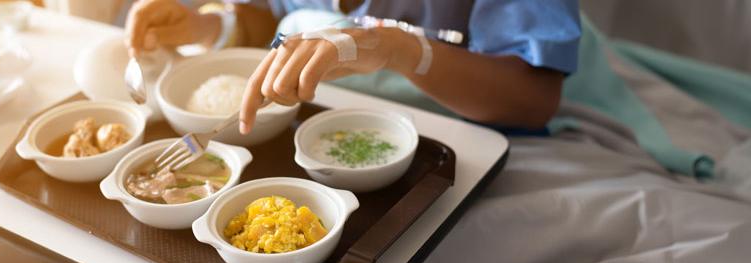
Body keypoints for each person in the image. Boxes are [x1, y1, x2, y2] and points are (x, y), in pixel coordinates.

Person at [125, 0, 581, 134]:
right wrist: (205, 27)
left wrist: (403, 50)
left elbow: (532, 99)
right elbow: (278, 14)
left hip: (476, 139)